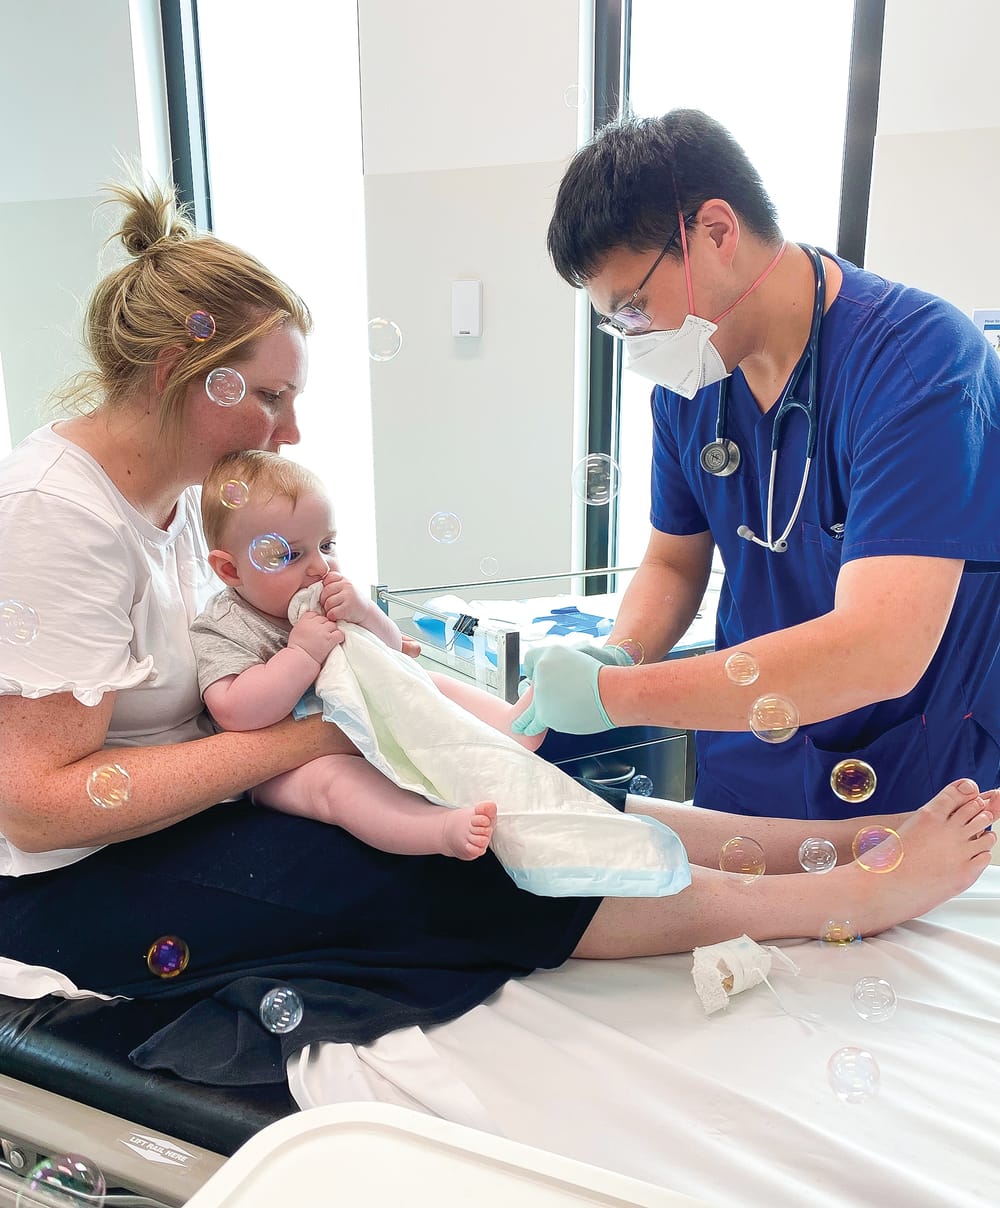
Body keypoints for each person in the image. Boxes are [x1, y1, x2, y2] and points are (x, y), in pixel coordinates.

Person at [0, 178, 993, 1084]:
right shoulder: (56, 516)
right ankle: (832, 899)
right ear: (176, 372)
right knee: (470, 857)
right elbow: (36, 810)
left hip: (206, 801)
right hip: (81, 882)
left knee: (500, 774)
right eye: (269, 396)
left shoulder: (184, 503)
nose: (289, 431)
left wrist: (397, 681)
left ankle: (835, 842)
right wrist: (324, 735)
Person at [521, 108, 1000, 822]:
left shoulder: (917, 362)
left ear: (716, 231)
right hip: (750, 757)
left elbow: (882, 647)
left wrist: (618, 697)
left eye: (636, 307)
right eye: (618, 323)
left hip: (908, 766)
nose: (638, 339)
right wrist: (621, 654)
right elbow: (673, 562)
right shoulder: (694, 382)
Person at [193, 448, 549, 860]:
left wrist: (365, 613)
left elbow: (393, 649)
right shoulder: (223, 624)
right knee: (337, 784)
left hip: (361, 715)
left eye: (326, 544)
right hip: (283, 767)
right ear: (231, 570)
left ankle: (509, 724)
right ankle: (433, 829)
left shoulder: (330, 595)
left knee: (422, 679)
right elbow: (234, 712)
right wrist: (301, 655)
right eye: (289, 555)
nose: (320, 566)